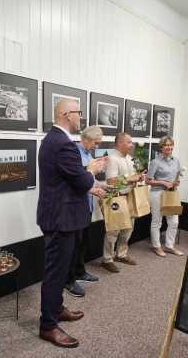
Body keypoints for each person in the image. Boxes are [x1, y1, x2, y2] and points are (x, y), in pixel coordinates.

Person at [37, 99, 106, 348]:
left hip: (61, 216)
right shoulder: (62, 143)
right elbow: (78, 179)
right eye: (79, 113)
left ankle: (56, 309)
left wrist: (86, 172)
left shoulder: (55, 140)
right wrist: (92, 171)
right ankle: (48, 325)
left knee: (60, 269)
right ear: (67, 114)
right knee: (55, 274)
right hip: (60, 219)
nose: (81, 118)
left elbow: (69, 177)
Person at [65, 125, 106, 297]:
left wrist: (102, 185)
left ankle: (80, 272)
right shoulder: (73, 154)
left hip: (87, 205)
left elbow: (89, 179)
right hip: (75, 207)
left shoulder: (88, 154)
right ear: (86, 139)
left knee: (82, 243)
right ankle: (68, 281)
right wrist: (92, 189)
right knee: (72, 246)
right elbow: (73, 182)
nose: (97, 146)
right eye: (96, 143)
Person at [101, 133, 143, 273]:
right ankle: (107, 259)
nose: (132, 145)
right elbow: (111, 181)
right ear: (119, 143)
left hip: (129, 196)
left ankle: (121, 254)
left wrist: (139, 177)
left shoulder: (130, 159)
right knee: (114, 229)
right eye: (129, 142)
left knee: (128, 228)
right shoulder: (112, 159)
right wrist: (130, 178)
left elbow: (133, 177)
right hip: (116, 197)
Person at [146, 136, 184, 257]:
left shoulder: (176, 160)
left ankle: (169, 246)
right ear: (161, 147)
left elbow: (177, 176)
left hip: (171, 193)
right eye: (166, 145)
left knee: (174, 222)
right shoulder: (155, 162)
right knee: (157, 221)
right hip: (157, 193)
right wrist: (163, 182)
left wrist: (176, 182)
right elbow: (148, 181)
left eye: (171, 145)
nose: (169, 147)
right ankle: (156, 246)